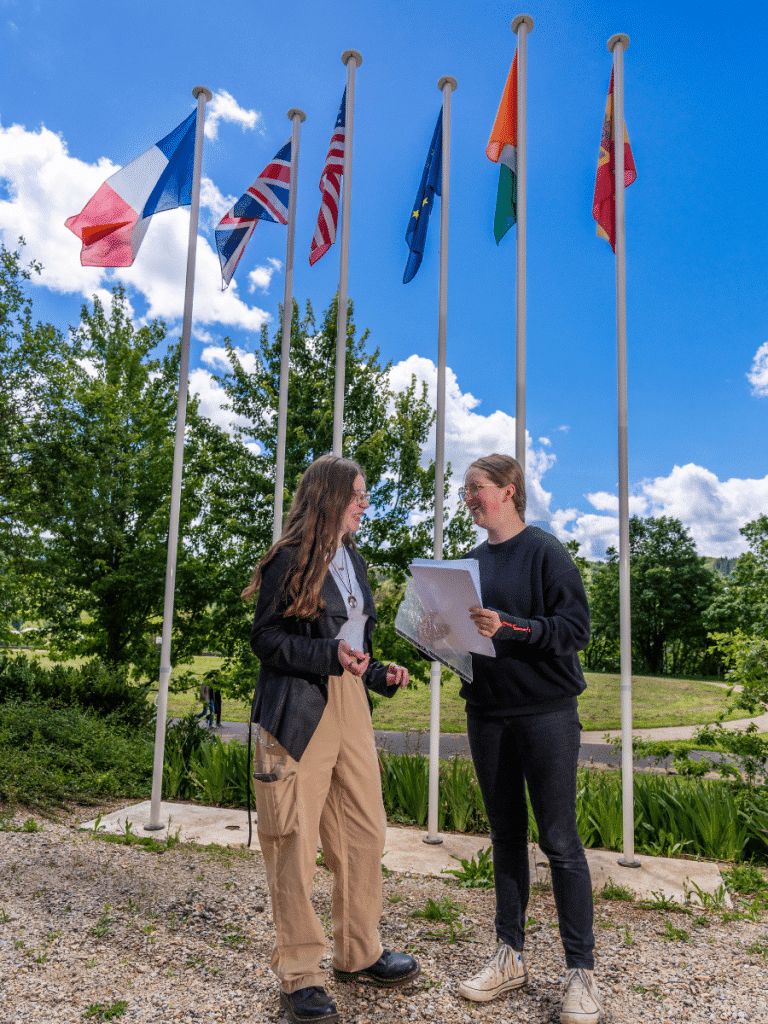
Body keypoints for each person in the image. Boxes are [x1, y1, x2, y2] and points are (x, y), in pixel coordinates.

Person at [243, 454, 420, 1024]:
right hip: (297, 706)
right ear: (328, 497)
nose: (365, 502)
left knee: (365, 829)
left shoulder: (355, 561)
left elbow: (351, 646)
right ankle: (300, 973)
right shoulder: (287, 560)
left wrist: (377, 673)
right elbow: (265, 639)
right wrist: (329, 656)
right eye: (358, 494)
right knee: (292, 837)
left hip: (350, 705)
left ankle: (357, 952)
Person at [455, 454, 602, 1024]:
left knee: (560, 842)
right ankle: (510, 956)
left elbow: (575, 631)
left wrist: (510, 626)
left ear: (508, 491)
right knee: (506, 838)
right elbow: (465, 636)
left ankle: (581, 974)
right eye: (466, 489)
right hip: (486, 713)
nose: (468, 496)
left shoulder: (547, 552)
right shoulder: (467, 564)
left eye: (477, 488)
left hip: (545, 714)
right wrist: (438, 632)